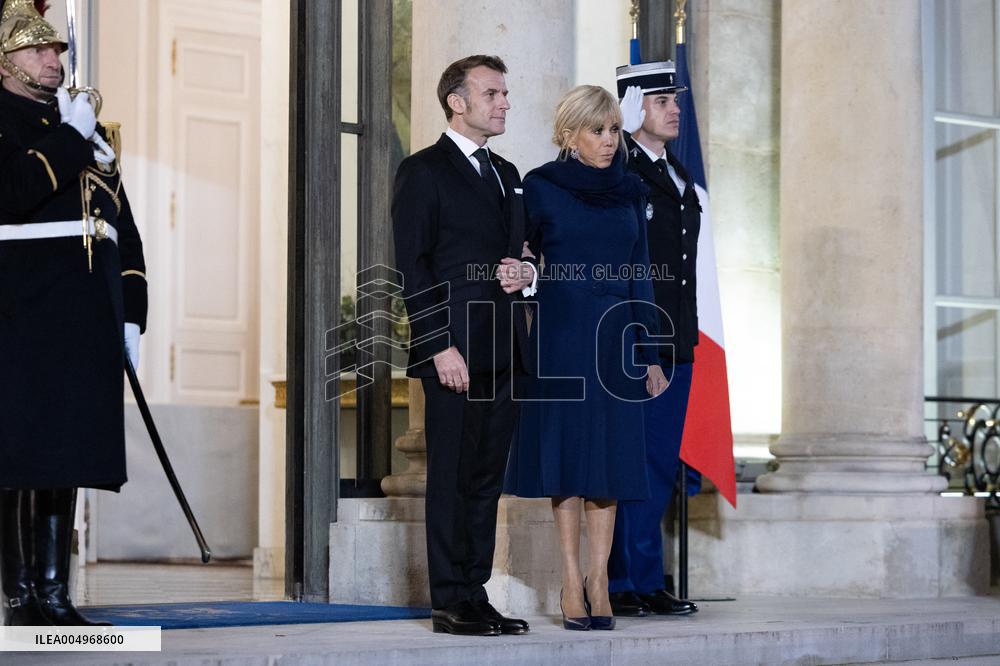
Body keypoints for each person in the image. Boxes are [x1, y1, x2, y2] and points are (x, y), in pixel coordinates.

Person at [0, 0, 147, 626]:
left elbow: (122, 229)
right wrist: (70, 133)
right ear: (5, 62)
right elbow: (13, 192)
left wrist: (132, 314)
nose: (52, 58)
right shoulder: (26, 123)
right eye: (37, 49)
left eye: (56, 49)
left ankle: (55, 596)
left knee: (66, 454)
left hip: (83, 319)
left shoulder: (87, 130)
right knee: (17, 457)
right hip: (20, 316)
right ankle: (20, 600)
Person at [504, 84, 668, 631]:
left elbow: (640, 272)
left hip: (617, 340)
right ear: (568, 134)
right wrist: (530, 276)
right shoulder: (541, 186)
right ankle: (571, 579)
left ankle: (601, 580)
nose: (608, 140)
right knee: (568, 460)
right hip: (562, 336)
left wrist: (651, 353)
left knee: (611, 463)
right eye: (597, 130)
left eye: (614, 130)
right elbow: (520, 255)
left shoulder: (630, 190)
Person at [391, 54, 537, 637]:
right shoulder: (422, 171)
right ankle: (449, 601)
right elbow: (412, 266)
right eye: (492, 93)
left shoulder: (507, 172)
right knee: (451, 479)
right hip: (453, 352)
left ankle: (475, 594)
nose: (504, 103)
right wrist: (437, 346)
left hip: (505, 350)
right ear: (457, 101)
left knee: (484, 481)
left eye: (505, 93)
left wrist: (527, 274)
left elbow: (523, 255)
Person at [606, 61, 701, 617]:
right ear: (631, 106)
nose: (674, 109)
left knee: (660, 463)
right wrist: (641, 346)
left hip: (676, 338)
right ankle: (620, 580)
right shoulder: (620, 170)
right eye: (661, 100)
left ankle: (646, 577)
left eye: (675, 100)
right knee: (631, 462)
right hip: (636, 337)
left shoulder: (676, 173)